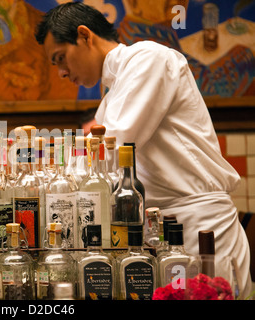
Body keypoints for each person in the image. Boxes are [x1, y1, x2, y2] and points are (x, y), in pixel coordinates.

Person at [35, 2, 252, 298]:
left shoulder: (148, 59)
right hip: (163, 233)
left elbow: (109, 152)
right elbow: (84, 165)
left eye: (61, 58)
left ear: (84, 36)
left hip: (202, 229)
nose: (61, 72)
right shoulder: (112, 96)